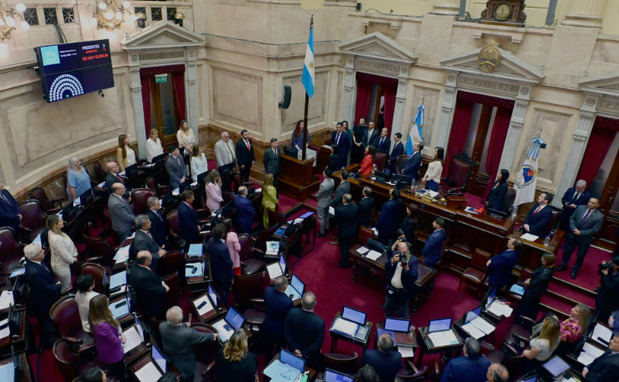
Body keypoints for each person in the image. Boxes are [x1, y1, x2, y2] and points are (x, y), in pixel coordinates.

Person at [159, 306, 217, 382]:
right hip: (185, 365)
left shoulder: (162, 326)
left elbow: (172, 327)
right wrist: (214, 335)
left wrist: (185, 324)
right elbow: (203, 337)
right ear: (180, 320)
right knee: (189, 377)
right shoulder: (188, 333)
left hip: (170, 357)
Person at [24, 243, 61, 347]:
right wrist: (58, 286)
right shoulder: (34, 272)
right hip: (44, 301)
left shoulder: (36, 261)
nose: (44, 251)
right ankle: (52, 343)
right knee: (48, 321)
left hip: (46, 293)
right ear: (35, 256)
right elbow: (46, 289)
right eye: (41, 251)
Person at [558, 197, 603, 279]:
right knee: (567, 251)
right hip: (572, 234)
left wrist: (580, 233)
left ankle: (574, 271)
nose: (590, 204)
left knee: (580, 256)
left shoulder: (599, 216)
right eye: (589, 202)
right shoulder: (580, 208)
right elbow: (572, 218)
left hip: (584, 239)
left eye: (593, 203)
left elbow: (595, 229)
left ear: (597, 205)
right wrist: (573, 228)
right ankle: (563, 265)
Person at [89, 294, 126, 381]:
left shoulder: (93, 316)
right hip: (112, 354)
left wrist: (120, 333)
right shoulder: (102, 326)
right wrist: (122, 339)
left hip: (105, 347)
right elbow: (115, 342)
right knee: (120, 372)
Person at [284, 292, 325, 369]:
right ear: (315, 303)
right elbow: (317, 344)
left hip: (293, 352)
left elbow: (287, 332)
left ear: (301, 302)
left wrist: (295, 349)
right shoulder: (319, 322)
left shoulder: (292, 312)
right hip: (309, 357)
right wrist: (303, 353)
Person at [130, 251, 169, 320]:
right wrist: (165, 288)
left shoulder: (136, 263)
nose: (152, 260)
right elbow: (154, 290)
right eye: (150, 259)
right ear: (145, 261)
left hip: (149, 287)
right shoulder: (142, 278)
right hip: (151, 303)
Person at [384, 240, 418, 318]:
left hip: (403, 291)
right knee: (387, 308)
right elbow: (387, 268)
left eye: (403, 248)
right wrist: (392, 261)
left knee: (402, 312)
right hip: (391, 287)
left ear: (407, 248)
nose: (402, 250)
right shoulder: (395, 254)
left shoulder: (413, 260)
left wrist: (407, 269)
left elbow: (414, 277)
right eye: (400, 248)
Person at [517, 253, 556, 321]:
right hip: (534, 290)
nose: (541, 259)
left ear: (547, 261)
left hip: (533, 292)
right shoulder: (547, 268)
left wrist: (529, 282)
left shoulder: (546, 272)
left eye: (543, 258)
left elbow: (536, 282)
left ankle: (521, 319)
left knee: (527, 306)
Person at [47, 215, 78, 293]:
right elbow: (64, 255)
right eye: (60, 221)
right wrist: (73, 260)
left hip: (62, 263)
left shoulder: (52, 231)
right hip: (61, 267)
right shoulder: (56, 239)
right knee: (67, 287)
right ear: (55, 225)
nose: (62, 222)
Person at [263, 276, 293, 354]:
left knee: (268, 347)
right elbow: (288, 318)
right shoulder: (287, 302)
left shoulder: (267, 290)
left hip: (266, 323)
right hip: (279, 330)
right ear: (285, 287)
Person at [208, 223, 233, 306]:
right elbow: (229, 263)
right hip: (223, 274)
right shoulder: (223, 248)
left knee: (216, 288)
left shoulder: (211, 240)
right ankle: (223, 306)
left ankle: (216, 303)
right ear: (222, 234)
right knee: (225, 291)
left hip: (214, 270)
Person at [335, 194, 359, 268]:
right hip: (353, 231)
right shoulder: (355, 207)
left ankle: (344, 264)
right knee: (349, 246)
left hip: (343, 232)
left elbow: (337, 221)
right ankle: (348, 259)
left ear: (344, 200)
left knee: (343, 248)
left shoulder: (340, 209)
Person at [596, 255, 619, 323]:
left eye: (613, 263)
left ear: (618, 266)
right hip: (603, 294)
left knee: (602, 317)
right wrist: (603, 266)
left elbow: (609, 287)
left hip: (610, 300)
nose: (611, 263)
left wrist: (605, 275)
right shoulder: (612, 268)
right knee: (598, 308)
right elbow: (600, 272)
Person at [317, 169, 335, 237]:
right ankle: (327, 228)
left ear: (325, 175)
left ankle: (322, 232)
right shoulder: (332, 181)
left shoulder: (323, 185)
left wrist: (316, 196)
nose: (323, 172)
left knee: (321, 217)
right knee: (327, 215)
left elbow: (319, 194)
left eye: (323, 172)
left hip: (322, 202)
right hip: (329, 200)